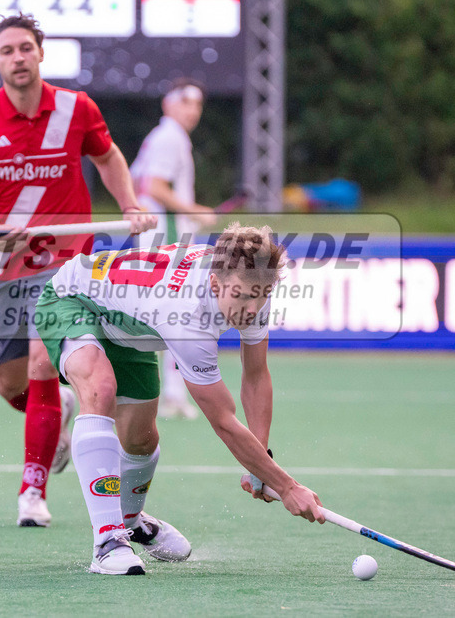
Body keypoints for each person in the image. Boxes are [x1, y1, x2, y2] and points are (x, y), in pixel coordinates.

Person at [0, 13, 156, 527]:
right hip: (3, 264)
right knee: (13, 386)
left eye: (25, 48)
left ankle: (31, 491)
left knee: (39, 361)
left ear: (40, 53)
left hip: (68, 262)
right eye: (7, 50)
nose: (17, 58)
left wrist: (130, 204)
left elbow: (108, 156)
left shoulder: (76, 109)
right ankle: (56, 421)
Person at [34, 222, 325, 575]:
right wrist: (287, 487)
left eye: (261, 296)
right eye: (244, 297)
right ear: (216, 284)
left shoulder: (251, 286)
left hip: (130, 325)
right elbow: (223, 421)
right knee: (101, 389)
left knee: (142, 439)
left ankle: (130, 520)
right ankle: (108, 542)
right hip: (72, 299)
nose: (252, 309)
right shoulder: (189, 318)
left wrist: (259, 461)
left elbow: (256, 375)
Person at [129, 79, 217, 420]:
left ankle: (170, 393)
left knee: (165, 314)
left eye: (197, 103)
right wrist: (193, 211)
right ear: (169, 104)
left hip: (162, 233)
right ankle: (171, 394)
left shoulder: (162, 136)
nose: (192, 110)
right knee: (175, 314)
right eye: (185, 102)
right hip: (165, 236)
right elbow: (154, 186)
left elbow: (141, 182)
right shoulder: (169, 138)